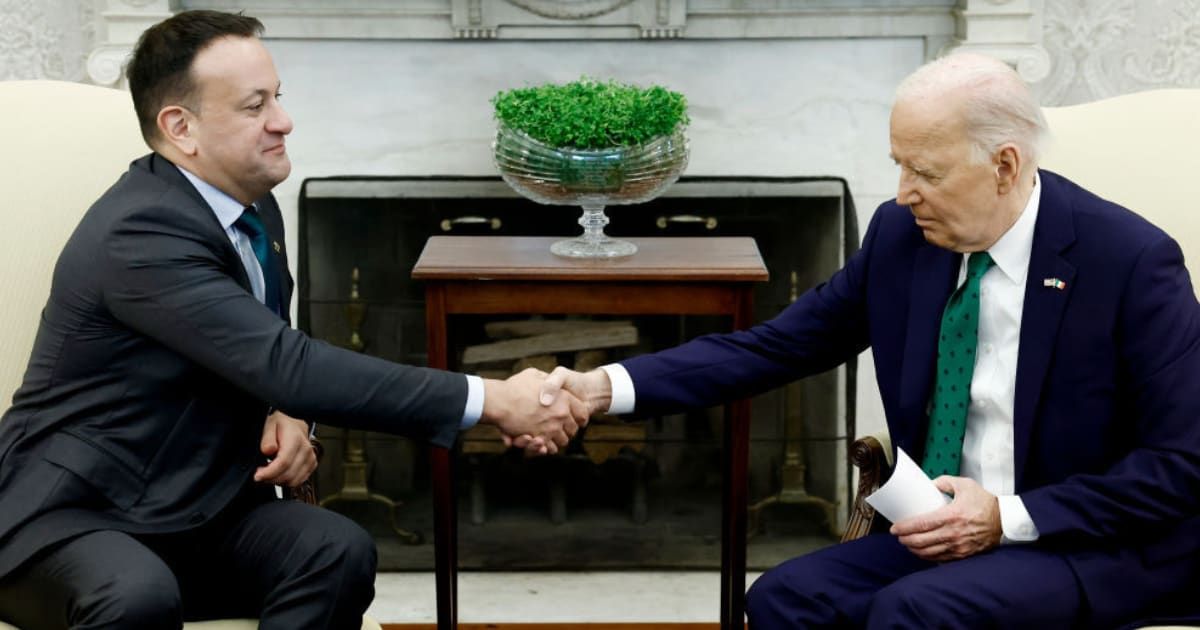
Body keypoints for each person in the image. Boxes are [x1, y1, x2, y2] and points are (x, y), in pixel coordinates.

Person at [536, 53, 1200, 628]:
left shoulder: (1132, 263)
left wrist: (1007, 515)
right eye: (899, 166)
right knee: (784, 600)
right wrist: (601, 389)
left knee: (912, 613)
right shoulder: (902, 239)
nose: (903, 193)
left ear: (1005, 165)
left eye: (928, 174)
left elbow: (1181, 466)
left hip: (1082, 541)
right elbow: (772, 347)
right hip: (944, 534)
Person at [0, 10, 586, 629]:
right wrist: (493, 398)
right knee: (137, 595)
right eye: (255, 107)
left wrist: (285, 408)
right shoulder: (141, 232)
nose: (284, 121)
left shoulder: (252, 206)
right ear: (181, 127)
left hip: (196, 506)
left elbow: (258, 350)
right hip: (70, 518)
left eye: (277, 97)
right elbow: (289, 364)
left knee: (335, 551)